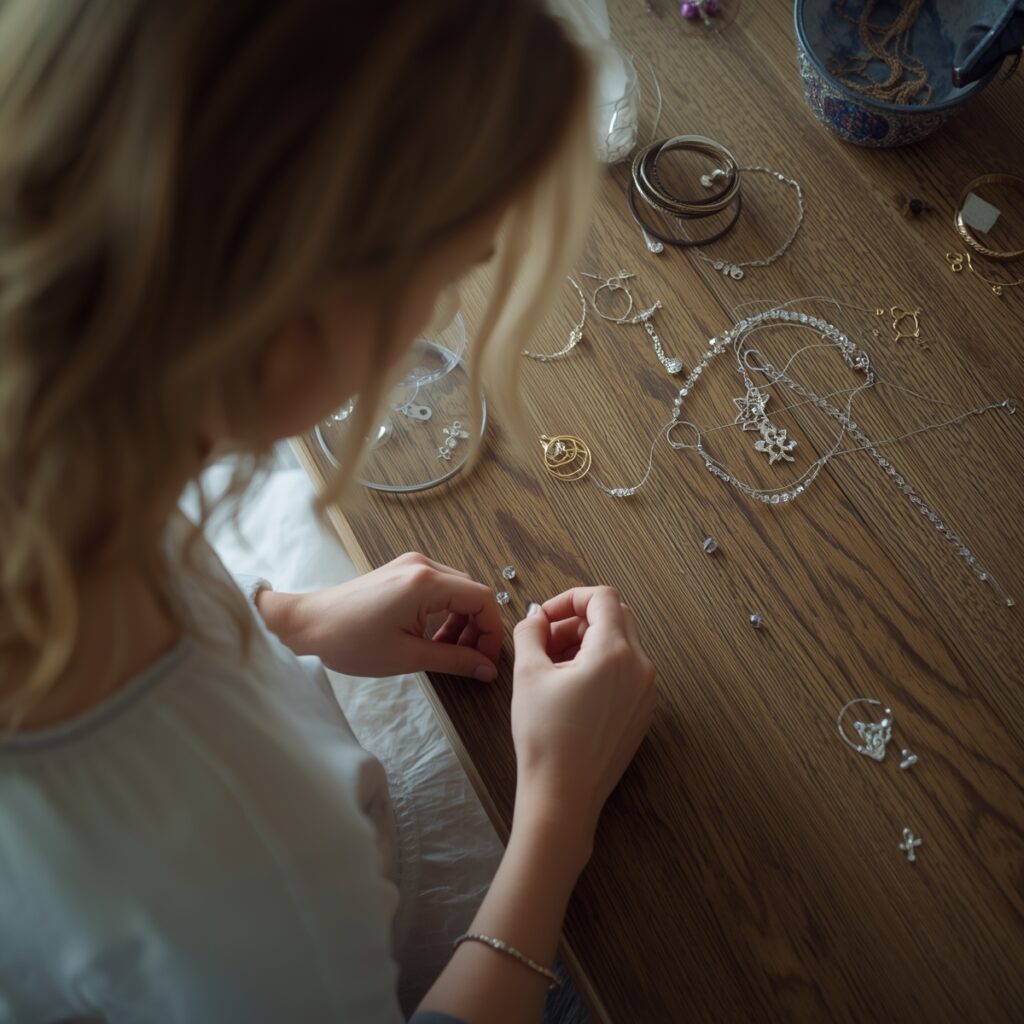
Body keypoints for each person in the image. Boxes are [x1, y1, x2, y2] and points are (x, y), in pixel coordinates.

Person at [0, 2, 658, 1022]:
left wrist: (279, 624)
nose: (437, 319)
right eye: (449, 276)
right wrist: (557, 813)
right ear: (283, 321)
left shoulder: (61, 426)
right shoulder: (253, 869)